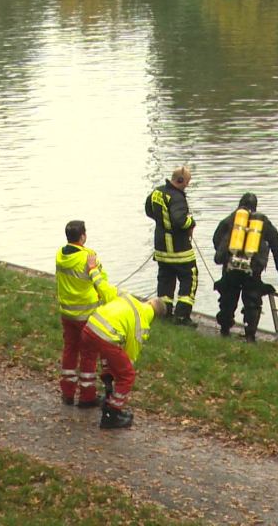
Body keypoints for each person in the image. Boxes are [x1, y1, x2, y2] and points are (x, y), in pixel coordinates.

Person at [77, 294, 166, 429]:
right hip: (106, 337)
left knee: (92, 358)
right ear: (155, 317)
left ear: (149, 301)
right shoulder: (142, 322)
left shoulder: (127, 297)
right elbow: (131, 355)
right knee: (127, 375)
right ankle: (111, 415)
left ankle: (87, 397)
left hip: (90, 326)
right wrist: (122, 369)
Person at [55, 220, 117, 406]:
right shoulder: (89, 257)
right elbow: (102, 281)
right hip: (87, 314)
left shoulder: (60, 254)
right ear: (83, 236)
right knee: (89, 354)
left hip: (67, 312)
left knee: (70, 350)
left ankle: (67, 393)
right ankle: (87, 396)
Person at [212, 193, 278, 343]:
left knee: (228, 297)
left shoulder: (231, 218)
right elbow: (276, 246)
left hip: (231, 266)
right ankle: (250, 335)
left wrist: (227, 256)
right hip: (253, 268)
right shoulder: (262, 222)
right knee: (252, 300)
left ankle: (225, 330)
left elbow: (216, 239)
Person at [145, 166, 198, 326]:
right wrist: (191, 222)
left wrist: (163, 221)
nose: (187, 185)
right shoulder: (177, 197)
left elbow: (149, 211)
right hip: (179, 250)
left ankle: (165, 313)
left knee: (165, 281)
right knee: (190, 278)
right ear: (181, 180)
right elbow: (180, 220)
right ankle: (182, 316)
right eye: (187, 182)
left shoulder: (157, 192)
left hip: (161, 248)